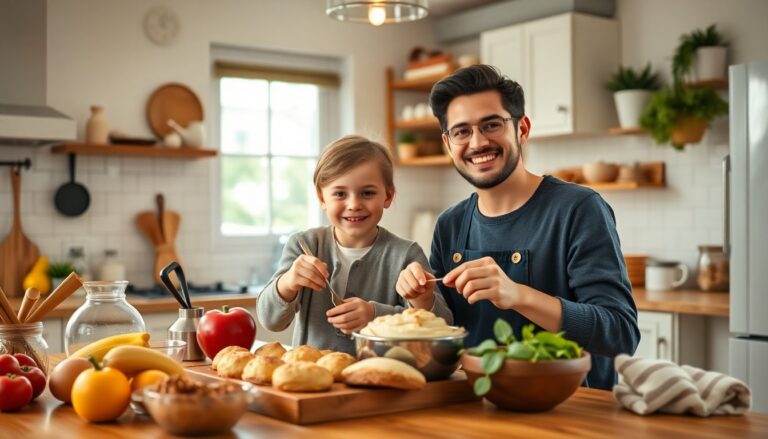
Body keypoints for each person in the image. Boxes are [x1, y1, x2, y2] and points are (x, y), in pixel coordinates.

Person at [395, 65, 639, 390]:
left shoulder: (578, 209)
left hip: (570, 413)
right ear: (447, 143)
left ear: (522, 128)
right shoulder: (450, 224)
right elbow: (447, 336)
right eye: (461, 131)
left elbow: (620, 334)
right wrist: (423, 302)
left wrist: (518, 295)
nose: (478, 142)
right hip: (476, 407)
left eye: (492, 125)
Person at [258, 135, 453, 353]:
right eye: (340, 194)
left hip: (378, 380)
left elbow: (442, 327)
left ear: (388, 196)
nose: (354, 205)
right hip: (311, 380)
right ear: (322, 198)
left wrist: (376, 314)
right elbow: (270, 320)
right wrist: (287, 283)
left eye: (367, 193)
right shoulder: (304, 245)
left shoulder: (406, 254)